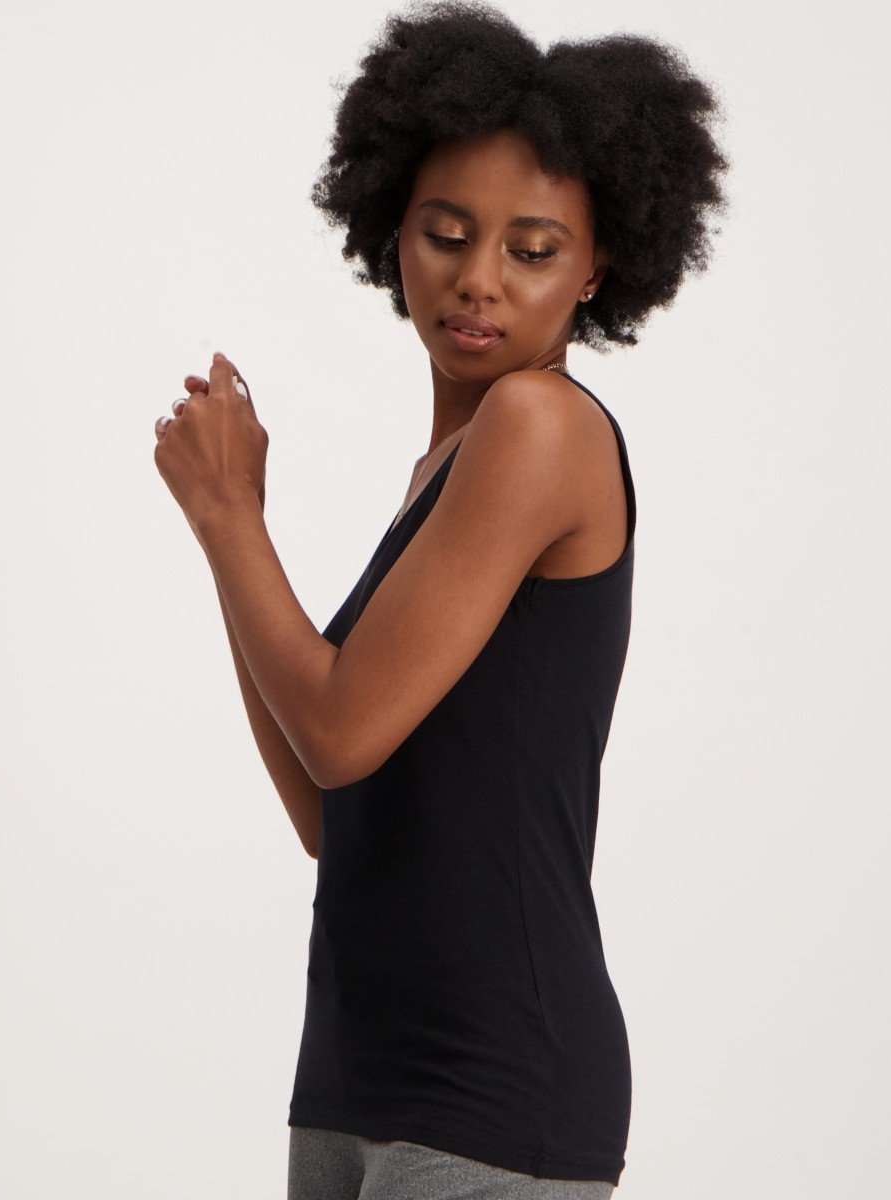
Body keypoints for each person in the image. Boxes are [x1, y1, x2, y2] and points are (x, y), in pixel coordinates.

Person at [152, 3, 730, 1195]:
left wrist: (230, 517)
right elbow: (337, 809)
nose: (477, 281)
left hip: (494, 1088)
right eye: (447, 234)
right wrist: (229, 536)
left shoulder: (539, 427)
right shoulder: (442, 474)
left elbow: (337, 728)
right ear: (393, 230)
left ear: (597, 267)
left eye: (532, 250)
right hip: (357, 1076)